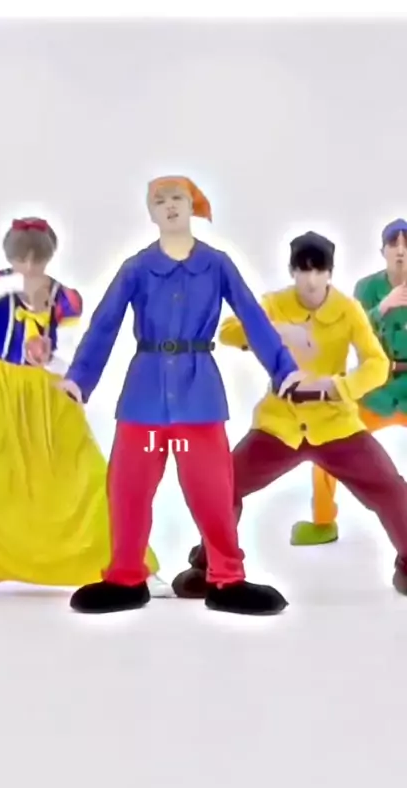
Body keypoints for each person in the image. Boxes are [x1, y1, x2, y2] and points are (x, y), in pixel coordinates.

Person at [59, 175, 303, 616]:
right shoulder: (136, 267)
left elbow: (253, 317)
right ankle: (125, 577)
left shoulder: (217, 264)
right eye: (160, 200)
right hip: (144, 396)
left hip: (198, 395)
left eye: (177, 198)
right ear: (150, 212)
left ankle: (227, 578)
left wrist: (284, 369)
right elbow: (105, 323)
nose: (169, 205)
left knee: (212, 490)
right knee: (128, 489)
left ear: (192, 206)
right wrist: (81, 377)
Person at [0, 216, 162, 596]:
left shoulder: (65, 297)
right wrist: (9, 284)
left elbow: (72, 348)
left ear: (48, 257)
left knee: (89, 480)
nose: (29, 266)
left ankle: (137, 566)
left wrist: (50, 355)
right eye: (21, 258)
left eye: (37, 259)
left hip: (49, 397)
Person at [172, 231, 407, 599]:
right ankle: (212, 563)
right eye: (303, 270)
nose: (311, 280)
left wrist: (339, 386)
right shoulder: (275, 303)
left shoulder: (347, 309)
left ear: (329, 273)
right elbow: (229, 331)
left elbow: (376, 364)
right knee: (222, 485)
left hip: (335, 424)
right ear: (292, 271)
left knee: (390, 487)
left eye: (319, 271)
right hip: (279, 425)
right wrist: (276, 332)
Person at [291, 219, 407, 545]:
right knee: (328, 439)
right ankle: (323, 521)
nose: (401, 250)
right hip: (377, 388)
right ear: (383, 251)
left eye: (406, 243)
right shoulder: (367, 288)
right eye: (394, 243)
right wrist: (382, 307)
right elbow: (348, 332)